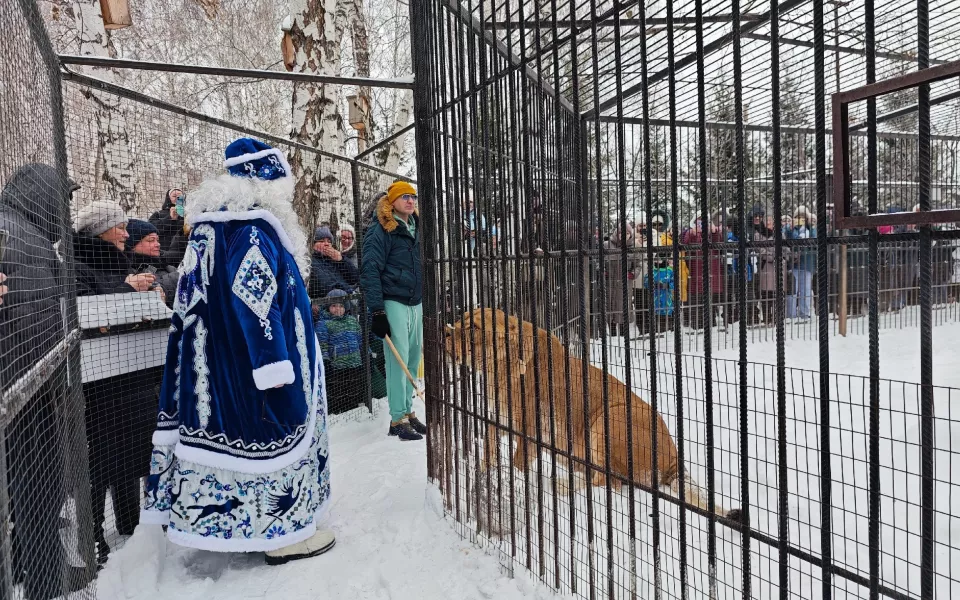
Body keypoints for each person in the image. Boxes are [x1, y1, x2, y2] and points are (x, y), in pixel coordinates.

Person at [139, 137, 334, 565]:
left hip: (212, 367)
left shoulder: (212, 227)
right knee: (268, 436)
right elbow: (256, 300)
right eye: (283, 185)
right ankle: (281, 535)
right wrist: (274, 367)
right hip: (248, 371)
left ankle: (235, 527)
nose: (288, 194)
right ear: (264, 182)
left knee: (231, 440)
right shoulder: (250, 229)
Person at [0, 163, 81, 598]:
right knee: (35, 495)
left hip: (25, 389)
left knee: (29, 497)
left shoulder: (21, 233)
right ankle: (45, 584)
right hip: (23, 395)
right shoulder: (15, 235)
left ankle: (39, 578)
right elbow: (28, 324)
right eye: (62, 200)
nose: (67, 211)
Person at [73, 200, 164, 567]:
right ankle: (91, 534)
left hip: (133, 371)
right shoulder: (79, 266)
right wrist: (128, 290)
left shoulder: (116, 262)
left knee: (133, 453)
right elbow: (86, 311)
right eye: (120, 227)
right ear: (100, 230)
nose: (127, 234)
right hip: (101, 382)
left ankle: (131, 520)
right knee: (101, 461)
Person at [360, 180, 425, 441]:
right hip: (393, 300)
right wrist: (377, 311)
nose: (410, 201)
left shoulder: (415, 227)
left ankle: (408, 412)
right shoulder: (381, 230)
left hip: (415, 300)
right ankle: (397, 418)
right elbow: (370, 270)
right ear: (393, 201)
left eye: (413, 197)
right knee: (397, 361)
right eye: (404, 197)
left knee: (412, 359)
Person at [315, 289, 365, 414]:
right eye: (334, 306)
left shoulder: (352, 321)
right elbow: (323, 345)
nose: (338, 309)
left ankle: (353, 411)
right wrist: (326, 361)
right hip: (337, 366)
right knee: (337, 391)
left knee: (354, 388)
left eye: (341, 306)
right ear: (328, 307)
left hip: (354, 363)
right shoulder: (324, 323)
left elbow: (360, 340)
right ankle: (337, 413)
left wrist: (366, 354)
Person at [124, 218, 179, 306]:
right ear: (132, 245)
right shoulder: (128, 272)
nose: (158, 244)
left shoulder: (168, 266)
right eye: (151, 240)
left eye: (157, 240)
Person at [309, 226, 360, 299]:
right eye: (321, 241)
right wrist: (346, 288)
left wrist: (342, 260)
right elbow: (323, 285)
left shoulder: (334, 259)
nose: (327, 244)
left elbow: (354, 278)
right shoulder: (311, 261)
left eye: (329, 241)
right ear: (313, 244)